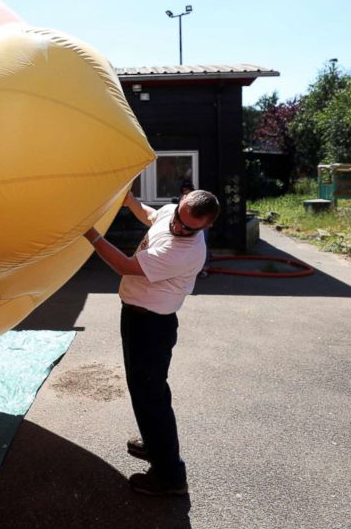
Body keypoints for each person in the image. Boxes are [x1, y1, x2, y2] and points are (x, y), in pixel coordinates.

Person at [83, 189, 220, 496]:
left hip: (151, 325)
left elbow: (125, 266)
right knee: (146, 390)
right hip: (138, 317)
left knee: (150, 396)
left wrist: (90, 234)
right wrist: (131, 201)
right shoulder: (173, 213)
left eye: (188, 227)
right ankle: (156, 443)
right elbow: (151, 215)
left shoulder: (183, 251)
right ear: (182, 201)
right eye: (179, 220)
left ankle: (170, 476)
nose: (178, 228)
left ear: (204, 227)